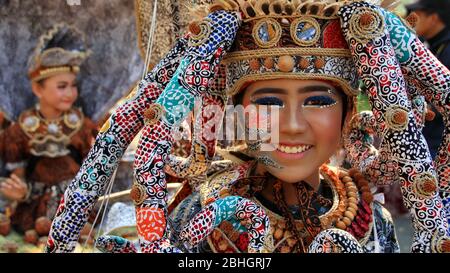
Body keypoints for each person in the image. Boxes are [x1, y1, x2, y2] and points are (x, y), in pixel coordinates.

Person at [46, 0, 450, 253]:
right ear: (235, 113)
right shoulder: (202, 216)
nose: (291, 126)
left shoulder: (369, 218)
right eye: (269, 102)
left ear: (347, 116)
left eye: (318, 101)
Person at [0, 24, 98, 236]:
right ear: (37, 89)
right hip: (34, 213)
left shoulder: (84, 126)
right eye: (62, 86)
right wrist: (20, 193)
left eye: (73, 85)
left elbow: (93, 174)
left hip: (77, 208)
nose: (70, 93)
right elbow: (18, 180)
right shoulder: (18, 132)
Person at [406, 0, 450, 159]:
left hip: (438, 144)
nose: (411, 17)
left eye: (418, 13)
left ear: (434, 17)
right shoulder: (434, 45)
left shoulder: (447, 49)